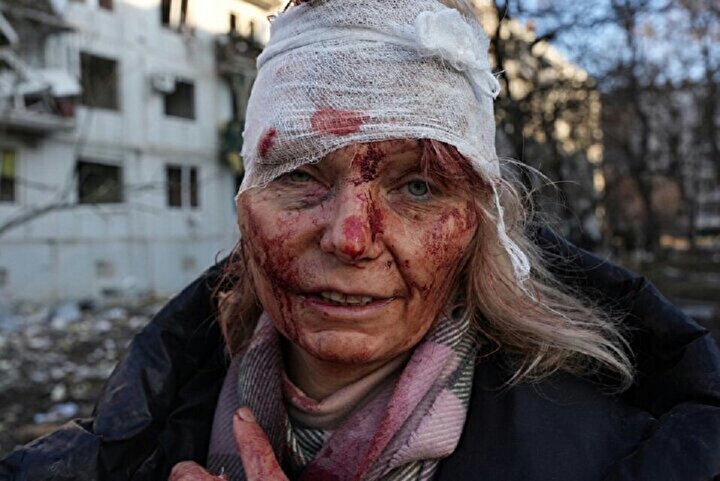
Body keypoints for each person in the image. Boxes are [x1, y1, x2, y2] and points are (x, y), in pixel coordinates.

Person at [3, 1, 720, 480]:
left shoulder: (613, 455)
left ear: (478, 224)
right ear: (245, 205)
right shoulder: (135, 447)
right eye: (300, 174)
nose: (351, 238)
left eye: (419, 187)